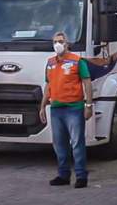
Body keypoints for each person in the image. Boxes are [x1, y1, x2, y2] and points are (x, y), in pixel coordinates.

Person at [39, 32, 93, 189]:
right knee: (59, 144)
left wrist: (88, 105)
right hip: (56, 109)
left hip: (74, 108)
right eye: (55, 41)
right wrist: (42, 106)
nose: (58, 44)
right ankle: (63, 175)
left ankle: (81, 176)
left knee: (77, 143)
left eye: (61, 41)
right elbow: (48, 85)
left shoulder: (77, 61)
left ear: (67, 43)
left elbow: (87, 82)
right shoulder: (50, 63)